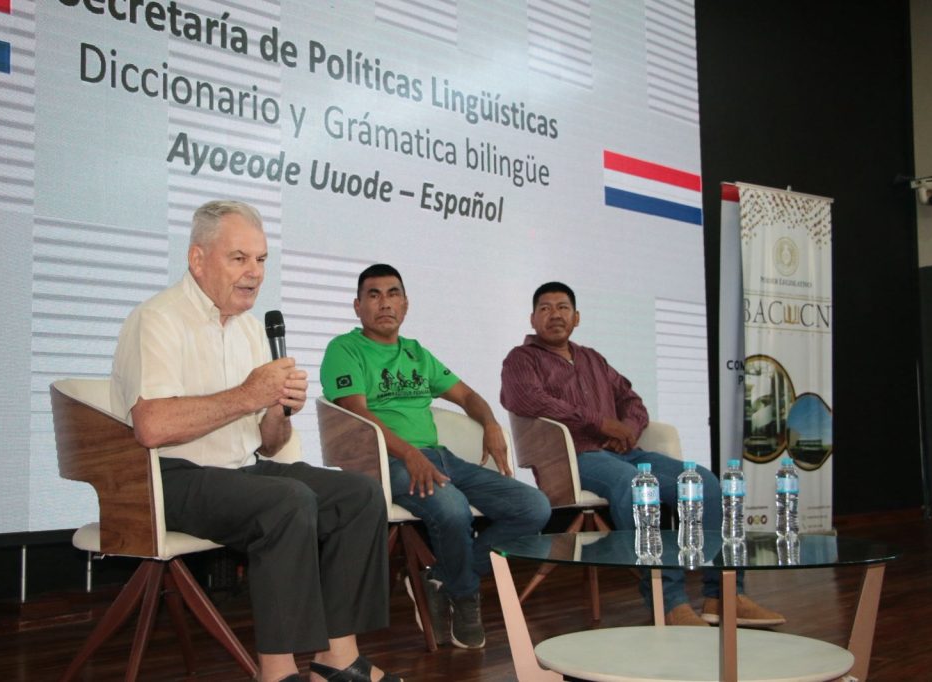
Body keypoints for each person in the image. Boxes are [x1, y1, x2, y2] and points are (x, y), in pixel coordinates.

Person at [110, 201, 400, 682]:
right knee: (287, 501)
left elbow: (269, 446)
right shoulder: (157, 319)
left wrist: (276, 411)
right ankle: (278, 672)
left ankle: (338, 658)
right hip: (167, 478)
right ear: (198, 259)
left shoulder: (249, 329)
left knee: (359, 494)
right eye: (239, 258)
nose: (254, 273)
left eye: (262, 260)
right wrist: (249, 394)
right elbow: (152, 426)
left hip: (241, 471)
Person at [500, 281, 785, 627]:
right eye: (545, 308)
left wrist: (629, 431)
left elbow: (632, 401)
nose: (554, 315)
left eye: (563, 307)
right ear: (532, 319)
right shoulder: (521, 359)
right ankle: (670, 603)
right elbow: (528, 400)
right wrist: (603, 423)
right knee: (640, 488)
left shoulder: (592, 358)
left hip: (625, 453)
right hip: (574, 459)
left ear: (577, 317)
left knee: (706, 483)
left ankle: (723, 594)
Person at [320, 264, 551, 649]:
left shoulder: (416, 353)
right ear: (357, 306)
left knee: (534, 508)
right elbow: (357, 415)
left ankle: (443, 576)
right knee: (453, 509)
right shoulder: (345, 349)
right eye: (373, 295)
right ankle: (463, 597)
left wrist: (491, 423)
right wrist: (409, 454)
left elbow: (467, 396)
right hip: (384, 461)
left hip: (438, 457)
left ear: (405, 305)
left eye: (393, 294)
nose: (384, 303)